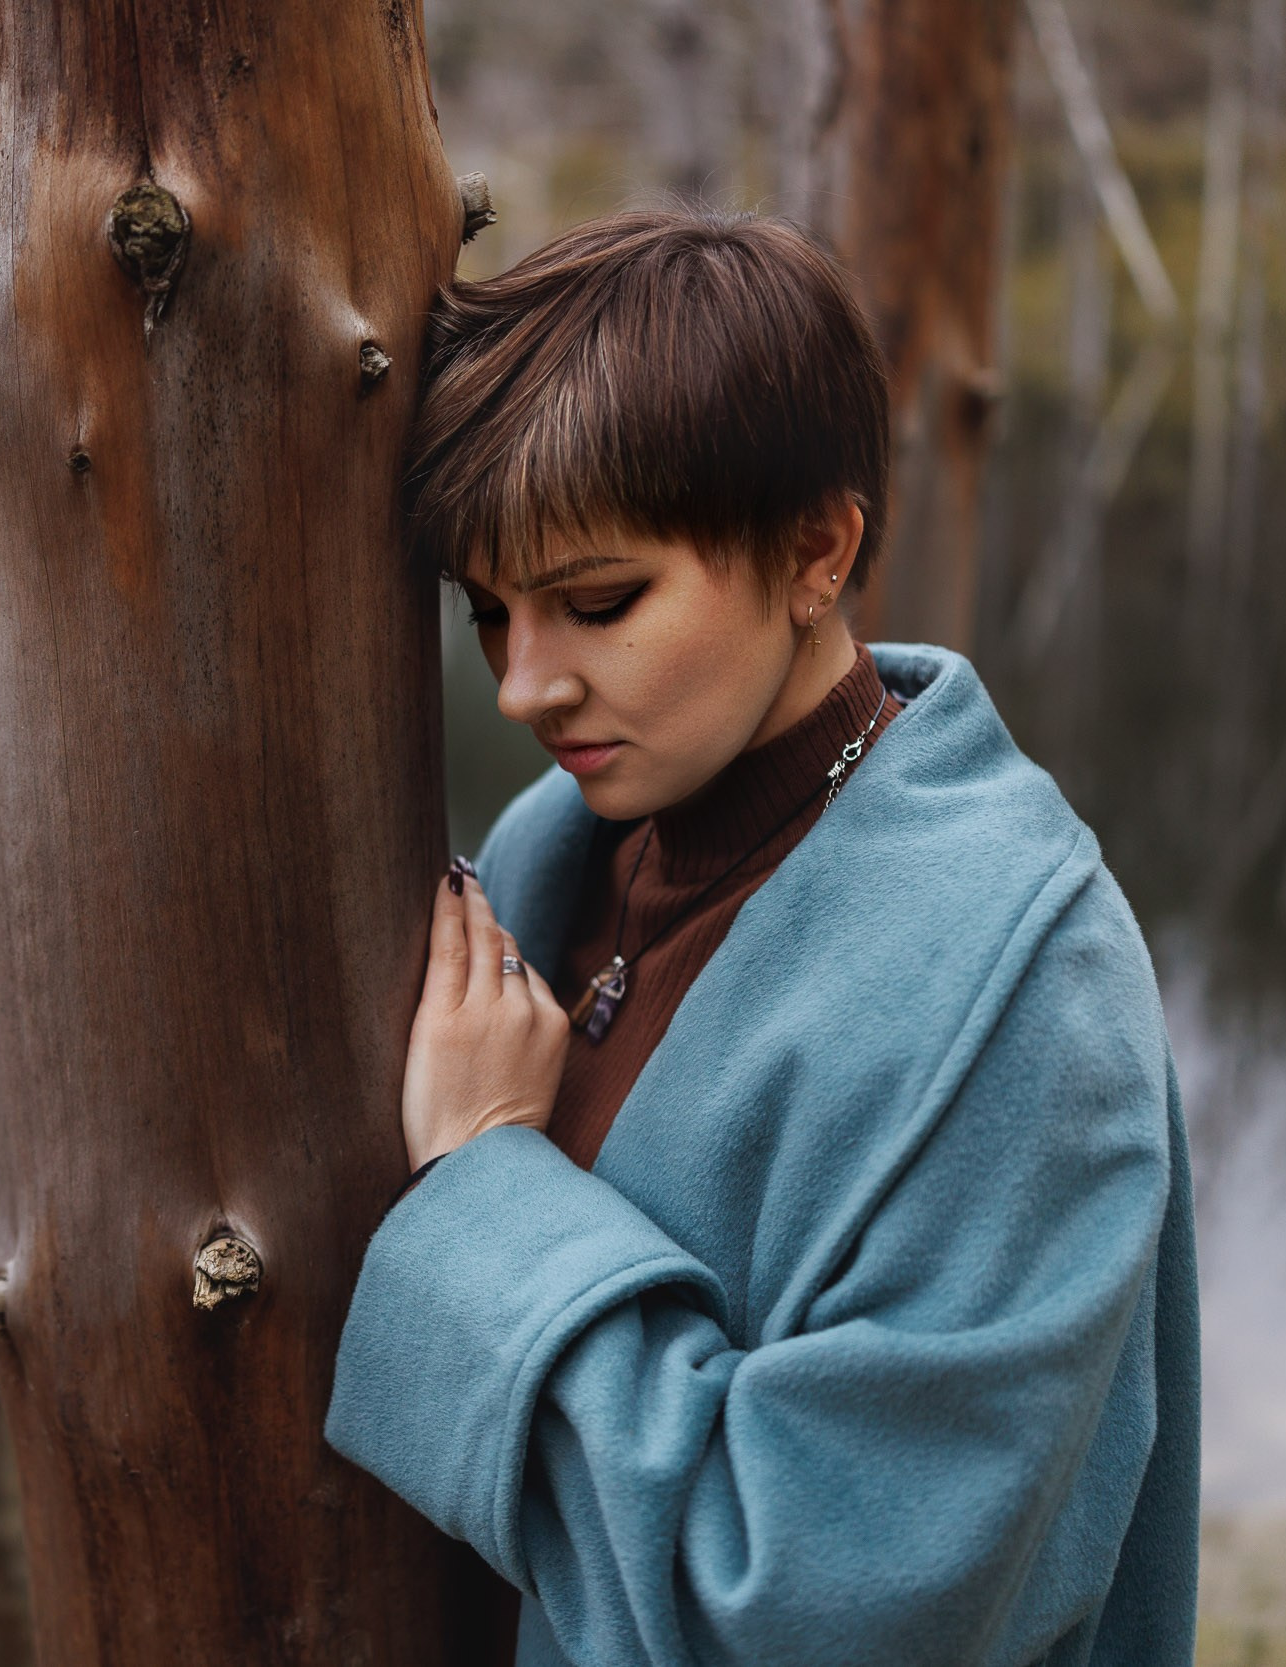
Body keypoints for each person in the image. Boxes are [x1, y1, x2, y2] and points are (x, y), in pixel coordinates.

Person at [317, 210, 1198, 1665]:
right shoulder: (558, 854)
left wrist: (489, 1184)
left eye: (599, 601)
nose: (524, 687)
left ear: (817, 550)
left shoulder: (1025, 999)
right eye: (490, 612)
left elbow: (811, 1607)